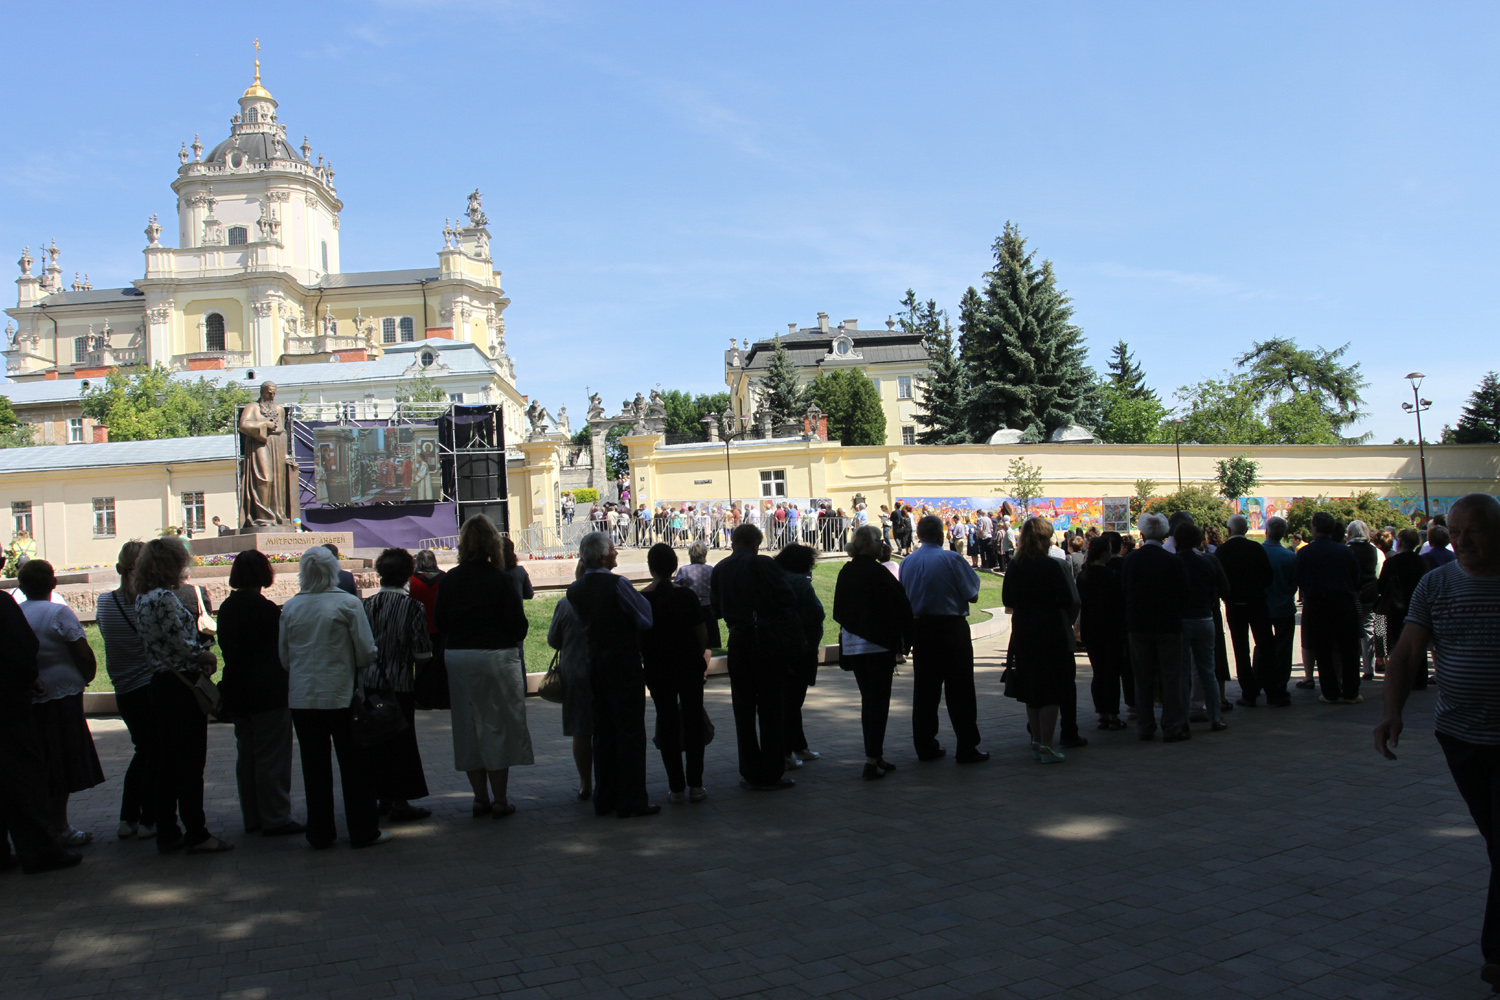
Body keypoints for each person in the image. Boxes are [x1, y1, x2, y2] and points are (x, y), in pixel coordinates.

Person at [1375, 494, 1500, 991]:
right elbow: (1407, 654)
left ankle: (1498, 955)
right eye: (1455, 531)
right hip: (1461, 736)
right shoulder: (1436, 583)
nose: (1462, 541)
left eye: (1474, 531)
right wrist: (1392, 712)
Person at [279, 546, 387, 849]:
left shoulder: (290, 608)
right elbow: (365, 652)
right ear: (333, 572)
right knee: (355, 766)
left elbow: (285, 658)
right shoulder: (348, 603)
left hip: (303, 697)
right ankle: (363, 830)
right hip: (342, 695)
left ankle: (320, 832)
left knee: (313, 767)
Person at [134, 538, 233, 854]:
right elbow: (181, 643)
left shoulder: (143, 598)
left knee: (166, 763)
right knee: (190, 763)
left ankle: (167, 830)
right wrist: (205, 655)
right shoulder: (165, 598)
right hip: (182, 687)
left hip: (160, 684)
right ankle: (197, 832)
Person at [435, 515, 534, 818]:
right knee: (497, 724)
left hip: (459, 656)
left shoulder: (449, 579)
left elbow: (440, 623)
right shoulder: (500, 579)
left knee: (467, 725)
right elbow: (519, 627)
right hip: (495, 656)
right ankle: (500, 799)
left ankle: (479, 798)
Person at [0, 554, 83, 874]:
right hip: (8, 706)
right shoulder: (4, 605)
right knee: (22, 778)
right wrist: (30, 678)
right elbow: (22, 648)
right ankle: (39, 850)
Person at [568, 531, 659, 817]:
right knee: (630, 730)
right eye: (612, 550)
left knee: (603, 731)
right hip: (623, 662)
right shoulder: (618, 584)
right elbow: (645, 617)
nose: (616, 553)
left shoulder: (575, 589)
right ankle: (632, 799)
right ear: (603, 557)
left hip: (595, 662)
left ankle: (605, 796)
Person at [216, 550, 303, 838]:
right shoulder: (267, 610)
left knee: (247, 755)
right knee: (272, 756)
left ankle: (252, 816)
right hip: (268, 692)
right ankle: (275, 816)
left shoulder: (227, 608)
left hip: (237, 690)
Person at [18, 560, 103, 847]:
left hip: (31, 696)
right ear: (53, 584)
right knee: (62, 761)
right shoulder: (59, 612)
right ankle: (60, 825)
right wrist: (86, 676)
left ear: (22, 586)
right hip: (63, 696)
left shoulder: (18, 612)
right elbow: (82, 650)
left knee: (41, 761)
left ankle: (44, 824)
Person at [711, 523, 798, 790]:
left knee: (743, 708)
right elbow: (787, 597)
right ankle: (771, 771)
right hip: (766, 640)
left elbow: (716, 609)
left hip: (738, 640)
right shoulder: (763, 564)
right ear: (754, 544)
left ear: (734, 542)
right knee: (771, 707)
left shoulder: (720, 568)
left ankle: (749, 770)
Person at [901, 515, 987, 763]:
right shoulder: (952, 559)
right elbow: (972, 595)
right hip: (951, 628)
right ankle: (966, 746)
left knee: (925, 690)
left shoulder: (907, 562)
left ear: (919, 535)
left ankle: (925, 745)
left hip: (921, 629)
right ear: (941, 535)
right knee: (960, 689)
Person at [833, 525, 912, 779]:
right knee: (878, 702)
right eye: (879, 540)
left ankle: (875, 755)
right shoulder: (878, 572)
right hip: (877, 646)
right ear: (867, 545)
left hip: (854, 645)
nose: (883, 545)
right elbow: (901, 604)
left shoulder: (847, 571)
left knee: (869, 700)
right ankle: (871, 759)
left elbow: (838, 610)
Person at [362, 548, 434, 823]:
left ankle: (382, 797)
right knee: (402, 744)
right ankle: (401, 802)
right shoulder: (413, 607)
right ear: (407, 574)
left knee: (375, 742)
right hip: (400, 684)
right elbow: (422, 652)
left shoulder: (366, 605)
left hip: (370, 684)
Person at [1001, 518, 1080, 763]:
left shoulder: (1015, 565)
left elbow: (1007, 599)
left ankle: (1036, 740)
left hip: (1023, 629)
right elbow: (1067, 599)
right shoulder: (1051, 565)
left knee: (1031, 687)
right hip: (1050, 630)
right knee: (1051, 688)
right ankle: (1047, 744)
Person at [95, 541, 157, 840]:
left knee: (142, 750)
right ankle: (146, 818)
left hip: (123, 687)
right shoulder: (149, 602)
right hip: (149, 686)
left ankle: (129, 817)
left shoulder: (105, 602)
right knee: (153, 753)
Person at [640, 544, 709, 804]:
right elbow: (701, 634)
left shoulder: (642, 599)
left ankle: (676, 787)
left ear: (651, 568)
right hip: (689, 665)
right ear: (674, 566)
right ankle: (696, 784)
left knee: (667, 722)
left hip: (658, 668)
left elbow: (639, 638)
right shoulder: (687, 596)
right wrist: (696, 656)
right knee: (693, 720)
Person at [1122, 513, 1189, 742]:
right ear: (1164, 534)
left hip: (1139, 625)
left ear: (1142, 534)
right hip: (1169, 625)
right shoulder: (1174, 561)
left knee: (1142, 677)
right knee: (1171, 677)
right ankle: (1172, 726)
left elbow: (1124, 591)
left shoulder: (1131, 560)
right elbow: (1184, 593)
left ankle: (1145, 726)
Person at [1298, 511, 1364, 704]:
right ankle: (1351, 691)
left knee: (1323, 650)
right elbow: (1356, 578)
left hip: (1317, 604)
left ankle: (1329, 692)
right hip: (1344, 603)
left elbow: (1298, 579)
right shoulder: (1346, 551)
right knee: (1349, 649)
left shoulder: (1305, 552)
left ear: (1315, 529)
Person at [1174, 522, 1231, 732]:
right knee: (1208, 670)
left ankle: (1183, 720)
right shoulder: (1210, 560)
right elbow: (1225, 589)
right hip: (1205, 618)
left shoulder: (1174, 562)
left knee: (1182, 672)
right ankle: (1216, 717)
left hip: (1181, 621)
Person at [774, 543, 826, 769]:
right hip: (800, 648)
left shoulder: (775, 579)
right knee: (793, 701)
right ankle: (787, 752)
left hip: (778, 647)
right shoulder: (800, 583)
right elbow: (817, 613)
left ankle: (798, 746)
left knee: (789, 700)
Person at [1215, 515, 1274, 708]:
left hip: (1235, 605)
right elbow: (1268, 576)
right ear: (1246, 530)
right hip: (1257, 603)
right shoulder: (1256, 548)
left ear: (1229, 530)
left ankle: (1248, 692)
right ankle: (1271, 689)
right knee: (1265, 645)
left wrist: (1228, 595)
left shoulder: (1222, 551)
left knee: (1241, 649)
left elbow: (1220, 581)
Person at [547, 563, 593, 801]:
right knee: (605, 728)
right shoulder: (608, 597)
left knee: (581, 731)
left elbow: (553, 640)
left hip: (574, 673)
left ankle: (585, 783)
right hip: (602, 670)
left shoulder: (565, 604)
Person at [1077, 536, 1128, 731]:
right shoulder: (1112, 576)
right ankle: (1113, 714)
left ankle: (1102, 714)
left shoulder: (1083, 576)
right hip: (1111, 627)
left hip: (1091, 628)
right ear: (1105, 553)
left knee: (1098, 672)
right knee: (1112, 673)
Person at [1377, 528, 1431, 690]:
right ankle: (1420, 678)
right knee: (1419, 642)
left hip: (1397, 608)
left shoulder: (1392, 562)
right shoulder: (1422, 561)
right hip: (1418, 606)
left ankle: (1402, 678)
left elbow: (1381, 586)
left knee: (1398, 643)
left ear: (1399, 542)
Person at [1258, 517, 1298, 706]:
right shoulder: (1290, 556)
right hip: (1284, 607)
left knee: (1261, 647)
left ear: (1266, 531)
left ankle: (1258, 681)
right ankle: (1279, 686)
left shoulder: (1259, 553)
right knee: (1283, 649)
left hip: (1262, 607)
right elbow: (1294, 583)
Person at [408, 549, 449, 710]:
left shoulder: (412, 580)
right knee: (441, 664)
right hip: (440, 627)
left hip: (419, 629)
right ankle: (441, 698)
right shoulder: (444, 578)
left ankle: (422, 698)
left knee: (421, 665)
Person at [1346, 520, 1382, 680]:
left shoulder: (1347, 550)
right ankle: (1369, 668)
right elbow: (1378, 572)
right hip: (1370, 594)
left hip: (1351, 594)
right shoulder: (1374, 550)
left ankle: (1351, 666)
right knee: (1368, 630)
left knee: (1350, 631)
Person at [673, 540, 720, 658]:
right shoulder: (711, 570)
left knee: (690, 639)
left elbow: (675, 587)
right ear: (705, 554)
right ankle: (704, 668)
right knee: (708, 643)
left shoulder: (684, 570)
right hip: (708, 609)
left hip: (689, 609)